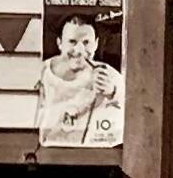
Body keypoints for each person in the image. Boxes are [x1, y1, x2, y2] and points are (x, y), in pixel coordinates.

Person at [36, 14, 123, 146]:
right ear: (59, 43)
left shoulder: (109, 75)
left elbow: (134, 106)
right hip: (47, 153)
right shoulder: (41, 73)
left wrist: (113, 92)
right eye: (72, 42)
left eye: (86, 43)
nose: (79, 50)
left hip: (92, 155)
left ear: (96, 44)